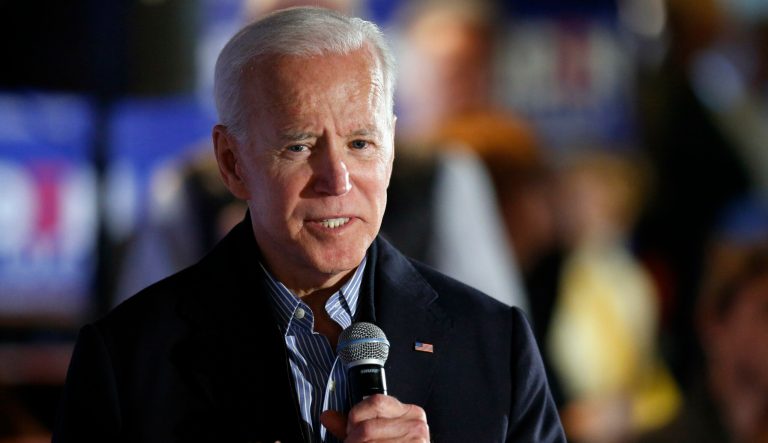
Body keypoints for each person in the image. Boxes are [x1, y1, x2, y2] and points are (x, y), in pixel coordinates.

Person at [53, 7, 565, 443]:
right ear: (232, 163)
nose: (336, 180)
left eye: (360, 144)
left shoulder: (497, 345)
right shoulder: (126, 361)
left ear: (389, 148)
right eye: (298, 146)